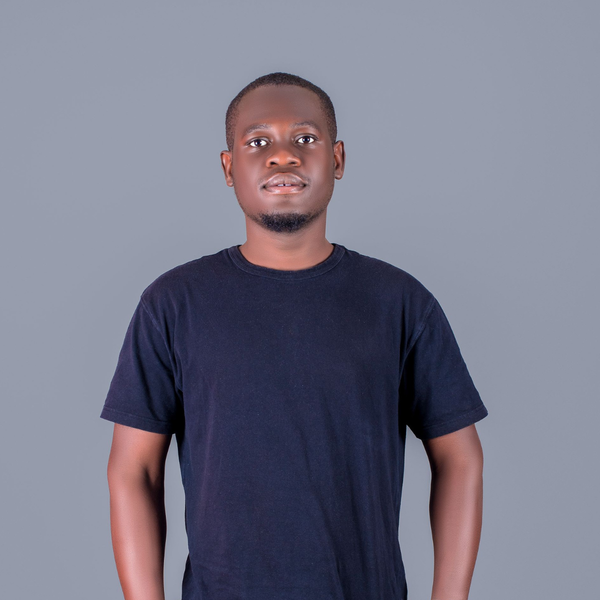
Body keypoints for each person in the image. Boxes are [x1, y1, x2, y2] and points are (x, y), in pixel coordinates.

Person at [100, 72, 489, 600]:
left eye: (305, 138)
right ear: (228, 167)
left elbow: (459, 458)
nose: (283, 156)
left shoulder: (399, 302)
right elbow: (134, 471)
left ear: (338, 159)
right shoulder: (173, 304)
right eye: (258, 142)